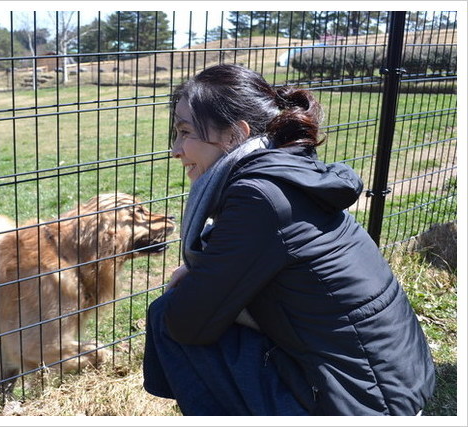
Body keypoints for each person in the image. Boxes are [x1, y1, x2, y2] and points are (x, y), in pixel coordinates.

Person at [142, 63, 435, 416]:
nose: (176, 150)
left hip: (365, 404)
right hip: (395, 383)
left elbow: (189, 323)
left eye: (185, 132)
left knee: (168, 317)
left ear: (236, 135)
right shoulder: (284, 170)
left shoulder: (260, 195)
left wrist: (194, 281)